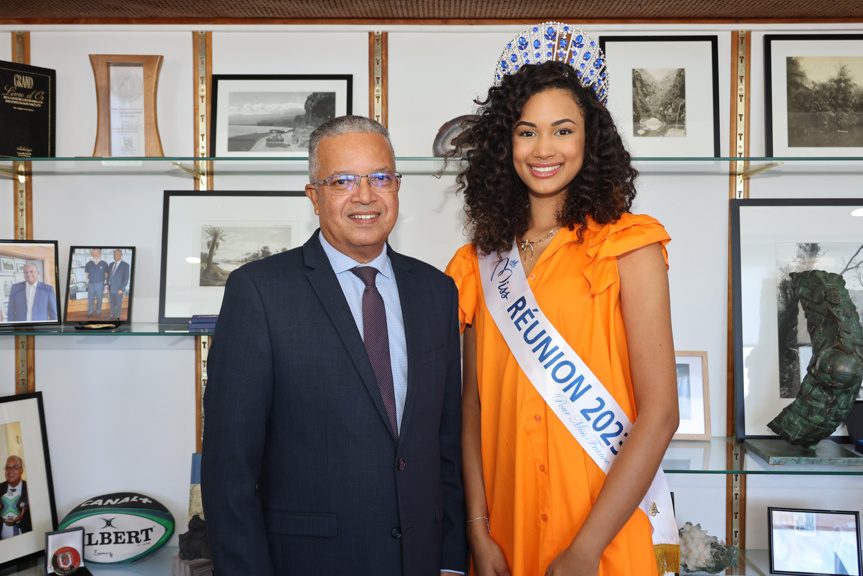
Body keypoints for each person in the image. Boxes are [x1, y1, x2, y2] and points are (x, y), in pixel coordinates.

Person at [445, 24, 679, 576]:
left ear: (588, 140)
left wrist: (585, 549)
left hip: (603, 532)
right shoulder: (479, 264)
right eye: (526, 132)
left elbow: (661, 414)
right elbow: (471, 407)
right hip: (506, 530)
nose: (543, 149)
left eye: (562, 130)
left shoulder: (628, 246)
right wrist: (478, 532)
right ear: (506, 145)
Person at [201, 115, 467, 576]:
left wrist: (450, 562)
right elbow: (230, 474)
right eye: (342, 180)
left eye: (380, 178)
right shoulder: (260, 292)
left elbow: (445, 445)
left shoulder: (436, 290)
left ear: (397, 187)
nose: (365, 196)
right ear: (314, 196)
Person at [0, 456, 31, 540]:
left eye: (15, 467)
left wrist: (20, 520)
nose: (10, 471)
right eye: (7, 468)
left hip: (26, 540)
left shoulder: (31, 490)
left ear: (21, 470)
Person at [84, 249, 109, 319]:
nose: (95, 255)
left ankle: (98, 311)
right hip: (91, 284)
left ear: (100, 254)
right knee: (91, 298)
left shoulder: (104, 264)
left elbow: (106, 275)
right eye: (94, 253)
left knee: (99, 299)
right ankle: (90, 311)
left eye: (97, 253)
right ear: (92, 255)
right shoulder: (88, 264)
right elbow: (87, 274)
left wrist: (102, 282)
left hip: (100, 284)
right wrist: (89, 281)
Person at [106, 249, 130, 320]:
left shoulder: (125, 265)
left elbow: (126, 278)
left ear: (121, 256)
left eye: (117, 254)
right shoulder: (111, 264)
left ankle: (117, 316)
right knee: (112, 303)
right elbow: (109, 276)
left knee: (118, 304)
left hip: (119, 289)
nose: (115, 256)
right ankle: (112, 314)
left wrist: (122, 289)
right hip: (110, 287)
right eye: (114, 255)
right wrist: (107, 285)